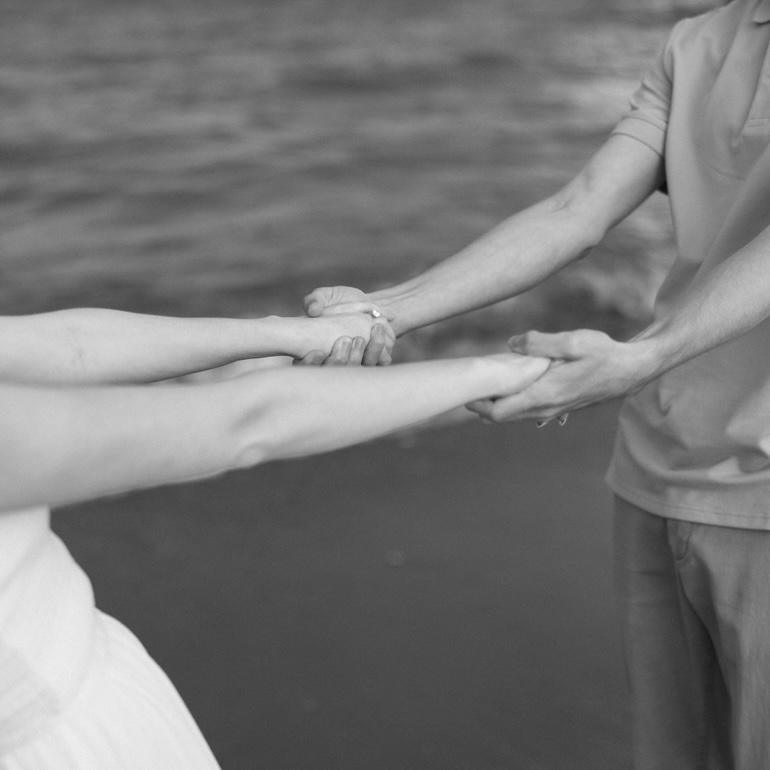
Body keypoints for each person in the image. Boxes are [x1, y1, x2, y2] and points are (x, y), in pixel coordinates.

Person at [305, 1, 770, 766]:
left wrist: (644, 356)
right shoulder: (697, 41)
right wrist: (386, 310)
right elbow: (576, 209)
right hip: (659, 470)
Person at [0, 306, 548, 768]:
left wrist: (288, 333)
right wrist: (506, 373)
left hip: (82, 673)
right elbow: (247, 424)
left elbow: (71, 345)